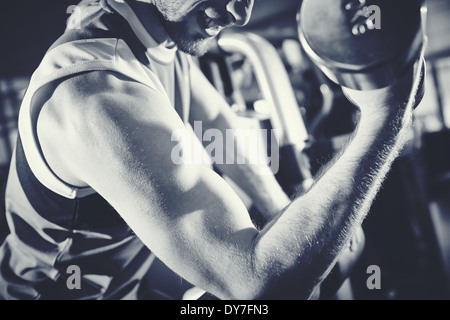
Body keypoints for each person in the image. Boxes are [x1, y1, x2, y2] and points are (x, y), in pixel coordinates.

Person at [0, 0, 420, 300]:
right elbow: (257, 284)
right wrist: (386, 117)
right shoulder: (94, 96)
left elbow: (221, 127)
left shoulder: (155, 39)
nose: (241, 13)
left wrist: (281, 208)